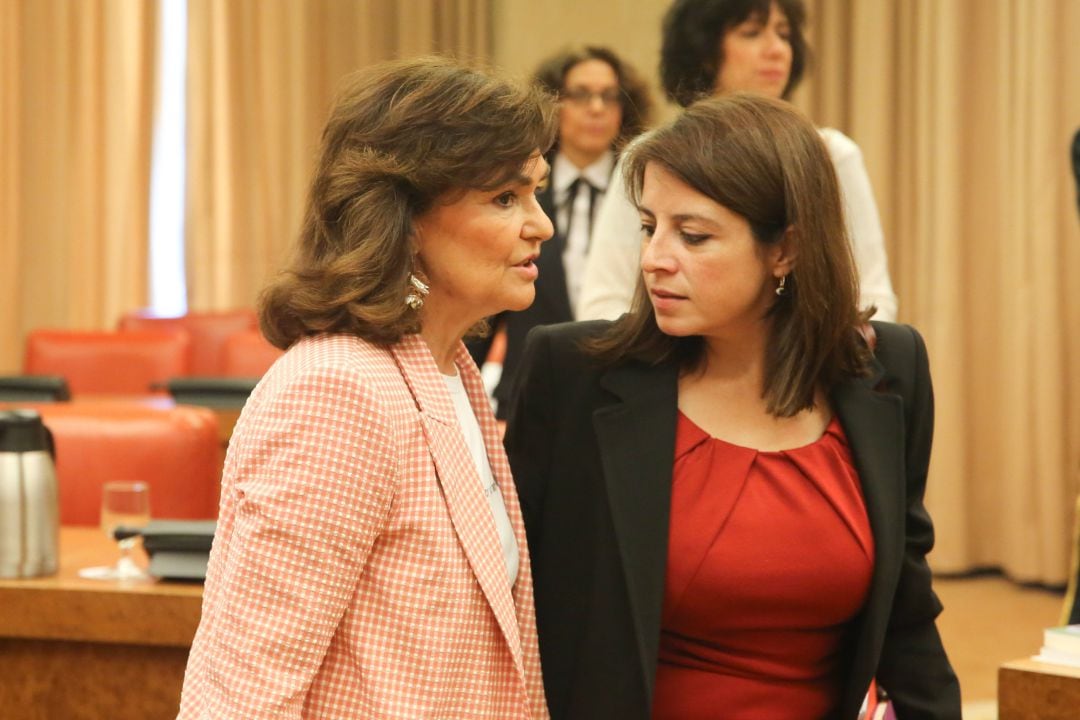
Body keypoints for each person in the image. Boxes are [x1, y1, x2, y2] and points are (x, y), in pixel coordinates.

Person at [505, 94, 960, 719]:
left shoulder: (887, 372)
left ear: (786, 249)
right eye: (648, 227)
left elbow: (907, 613)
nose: (654, 259)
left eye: (693, 236)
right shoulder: (575, 374)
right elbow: (515, 611)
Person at [177, 57, 556, 719]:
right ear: (404, 218)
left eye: (536, 193)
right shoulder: (337, 393)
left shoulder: (450, 371)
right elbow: (244, 695)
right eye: (505, 198)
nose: (541, 224)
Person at [578, 0, 898, 322]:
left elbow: (872, 299)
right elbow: (601, 303)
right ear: (704, 50)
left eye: (784, 34)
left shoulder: (831, 154)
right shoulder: (650, 156)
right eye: (752, 33)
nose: (777, 50)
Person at [468, 46, 651, 418]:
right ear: (554, 105)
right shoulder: (515, 189)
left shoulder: (646, 191)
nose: (596, 108)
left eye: (609, 96)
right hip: (528, 398)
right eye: (580, 95)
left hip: (618, 396)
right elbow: (484, 308)